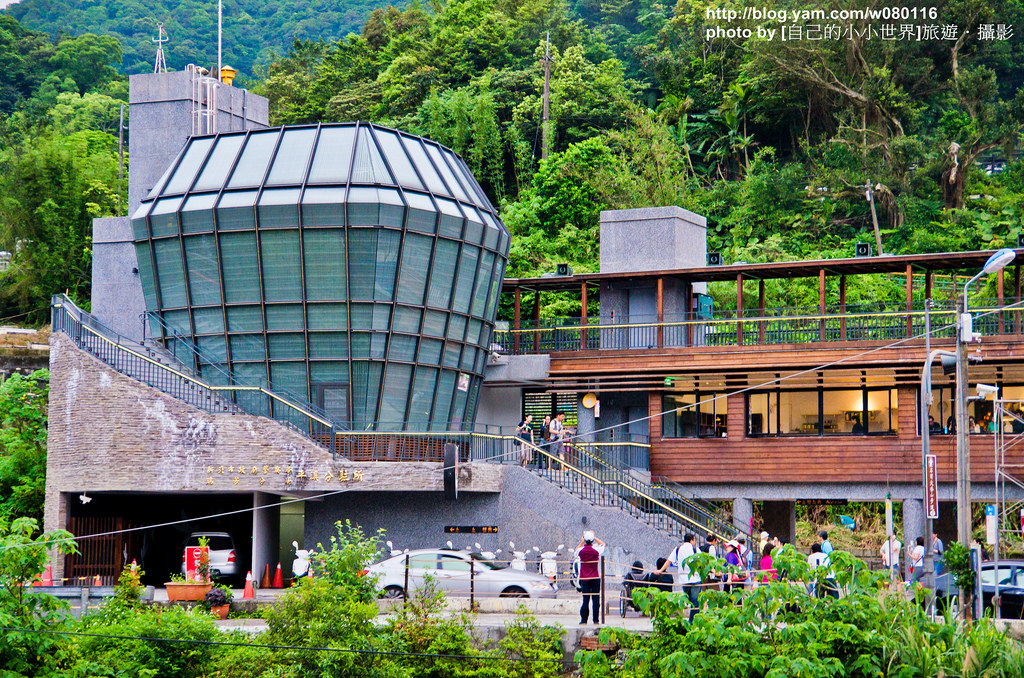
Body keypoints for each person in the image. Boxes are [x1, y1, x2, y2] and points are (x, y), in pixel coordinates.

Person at [655, 533, 701, 622]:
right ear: (692, 540)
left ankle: (687, 615)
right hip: (695, 579)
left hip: (684, 579)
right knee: (695, 602)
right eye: (694, 540)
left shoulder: (678, 549)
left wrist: (660, 570)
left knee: (688, 599)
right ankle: (692, 622)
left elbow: (669, 561)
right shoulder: (695, 549)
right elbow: (703, 561)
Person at [575, 531, 605, 625]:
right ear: (592, 540)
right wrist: (595, 537)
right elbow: (603, 544)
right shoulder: (596, 550)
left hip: (584, 578)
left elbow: (576, 551)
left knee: (585, 600)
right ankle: (596, 620)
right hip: (595, 577)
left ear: (584, 540)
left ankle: (584, 620)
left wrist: (581, 542)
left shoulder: (581, 551)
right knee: (596, 600)